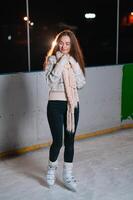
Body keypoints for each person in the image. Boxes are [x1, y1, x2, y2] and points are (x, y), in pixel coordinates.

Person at [43, 29, 86, 191]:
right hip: (55, 105)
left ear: (72, 45)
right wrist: (62, 62)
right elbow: (51, 81)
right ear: (57, 43)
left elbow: (81, 83)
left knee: (70, 142)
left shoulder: (74, 61)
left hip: (72, 105)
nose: (64, 46)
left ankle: (67, 175)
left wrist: (72, 64)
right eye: (61, 43)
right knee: (58, 141)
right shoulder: (51, 59)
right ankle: (51, 169)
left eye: (67, 44)